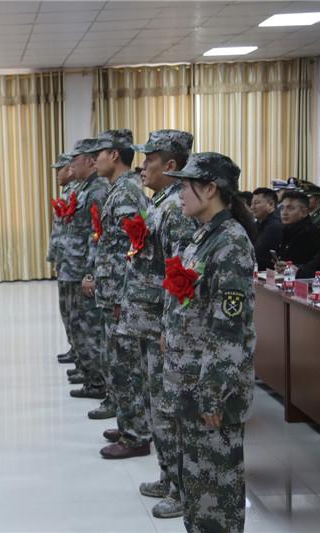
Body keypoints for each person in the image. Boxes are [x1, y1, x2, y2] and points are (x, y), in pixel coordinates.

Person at [162, 152, 256, 533]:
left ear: (211, 188)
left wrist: (213, 394)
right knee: (197, 488)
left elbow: (229, 328)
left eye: (186, 186)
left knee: (216, 492)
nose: (180, 194)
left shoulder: (230, 244)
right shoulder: (204, 236)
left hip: (210, 392)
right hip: (191, 383)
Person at [122, 129, 196, 519]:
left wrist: (171, 328)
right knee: (157, 406)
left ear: (170, 165)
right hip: (151, 322)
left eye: (149, 160)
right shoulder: (161, 203)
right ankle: (169, 477)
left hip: (163, 326)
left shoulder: (175, 209)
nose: (143, 166)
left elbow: (179, 277)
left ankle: (183, 490)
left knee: (169, 410)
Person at [87, 129, 152, 459]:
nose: (94, 161)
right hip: (115, 293)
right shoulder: (120, 189)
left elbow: (132, 249)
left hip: (121, 295)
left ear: (114, 155)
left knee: (124, 366)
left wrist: (120, 297)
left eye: (98, 154)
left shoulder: (126, 192)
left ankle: (136, 435)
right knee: (120, 364)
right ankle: (131, 423)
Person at [58, 138, 110, 400]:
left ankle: (98, 382)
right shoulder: (83, 188)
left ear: (89, 161)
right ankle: (89, 374)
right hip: (73, 267)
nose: (70, 165)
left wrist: (90, 273)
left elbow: (97, 235)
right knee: (77, 325)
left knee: (90, 329)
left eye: (75, 160)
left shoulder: (98, 190)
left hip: (83, 271)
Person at [46, 153, 79, 370]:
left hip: (74, 262)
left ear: (70, 169)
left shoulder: (76, 193)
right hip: (66, 260)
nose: (57, 174)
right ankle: (75, 349)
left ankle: (79, 352)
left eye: (61, 169)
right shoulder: (67, 192)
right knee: (66, 309)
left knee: (74, 311)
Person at [276, 190, 320, 266]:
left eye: (290, 208)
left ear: (304, 212)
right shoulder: (287, 229)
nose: (284, 212)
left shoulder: (309, 233)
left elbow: (306, 264)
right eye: (282, 208)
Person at [250, 187, 282, 271]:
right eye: (251, 204)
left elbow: (257, 253)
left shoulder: (274, 225)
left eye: (256, 203)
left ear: (271, 204)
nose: (252, 207)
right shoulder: (259, 223)